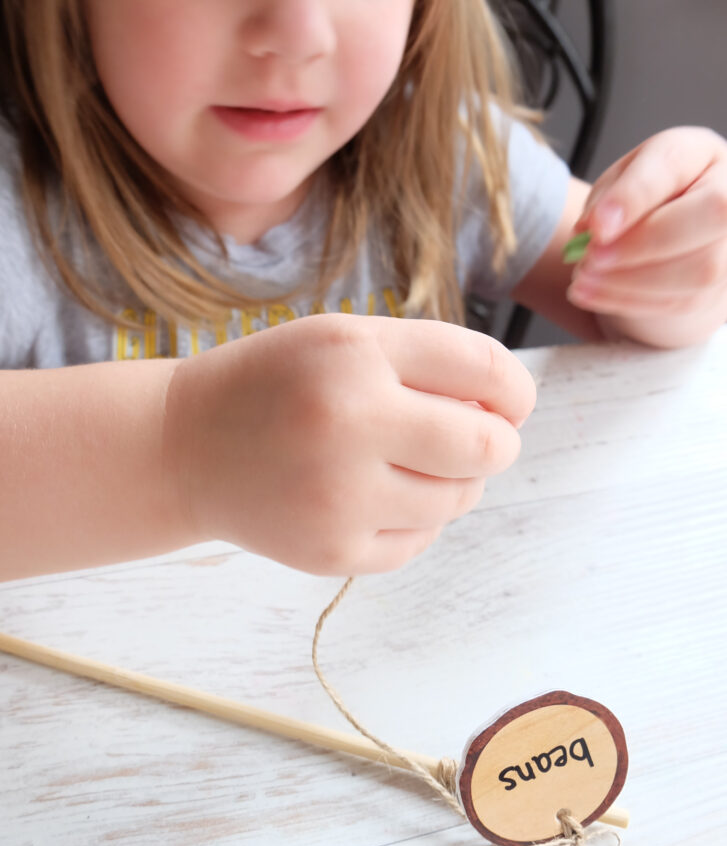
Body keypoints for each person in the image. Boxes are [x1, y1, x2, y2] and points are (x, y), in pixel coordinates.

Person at [0, 1, 725, 584]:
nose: (295, 34)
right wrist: (181, 449)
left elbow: (596, 265)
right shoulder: (17, 206)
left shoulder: (444, 147)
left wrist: (670, 253)